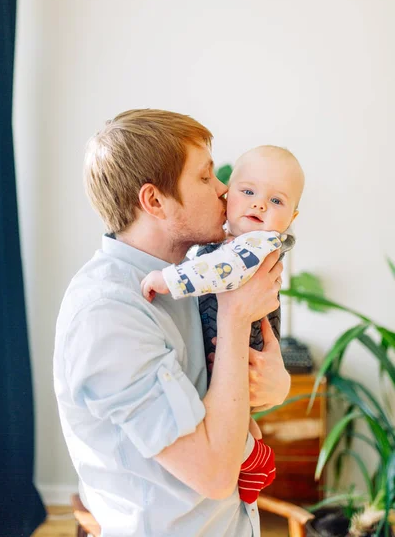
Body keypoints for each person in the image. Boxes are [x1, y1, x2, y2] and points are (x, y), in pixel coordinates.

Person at [54, 109, 291, 537]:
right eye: (205, 177)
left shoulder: (193, 273)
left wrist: (275, 385)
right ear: (155, 202)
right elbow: (215, 475)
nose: (224, 191)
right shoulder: (108, 313)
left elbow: (222, 396)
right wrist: (236, 316)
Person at [141, 145, 304, 504]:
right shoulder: (228, 243)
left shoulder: (256, 245)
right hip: (226, 340)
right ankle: (251, 453)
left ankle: (252, 458)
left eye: (275, 201)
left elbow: (221, 272)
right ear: (230, 197)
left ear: (291, 217)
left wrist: (169, 280)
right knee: (237, 411)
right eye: (248, 192)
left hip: (245, 344)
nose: (259, 205)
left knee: (234, 405)